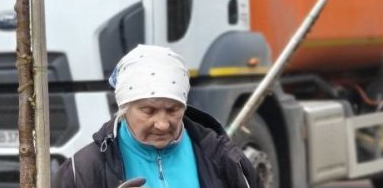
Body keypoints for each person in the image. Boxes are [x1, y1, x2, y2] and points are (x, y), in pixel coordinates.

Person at [52, 45, 260, 188]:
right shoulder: (83, 170)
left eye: (173, 110)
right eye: (148, 111)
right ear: (124, 108)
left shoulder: (223, 158)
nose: (162, 124)